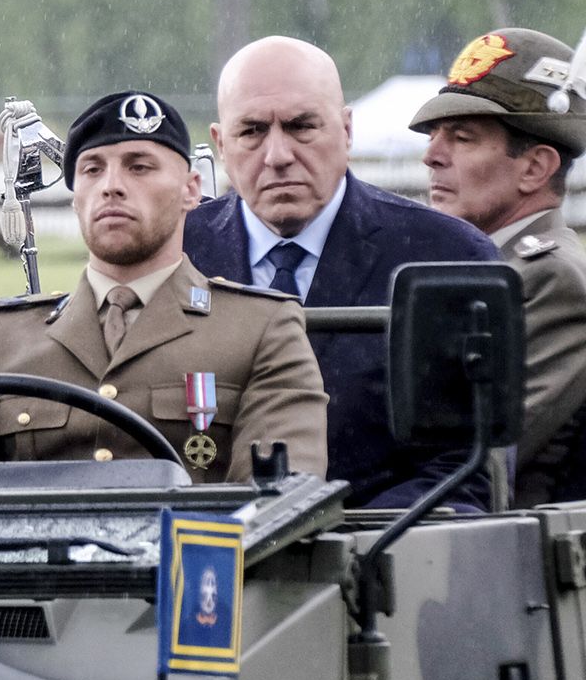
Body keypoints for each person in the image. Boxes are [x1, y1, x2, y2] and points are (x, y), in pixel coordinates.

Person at [0, 91, 327, 481]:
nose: (111, 186)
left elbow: (275, 506)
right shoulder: (0, 337)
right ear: (75, 196)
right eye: (92, 169)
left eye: (140, 166)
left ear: (190, 190)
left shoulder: (259, 331)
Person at [183, 35, 497, 510]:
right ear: (220, 144)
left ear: (347, 130)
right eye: (251, 131)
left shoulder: (446, 259)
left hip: (379, 560)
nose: (277, 155)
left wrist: (333, 556)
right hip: (201, 563)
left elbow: (466, 472)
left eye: (301, 126)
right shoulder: (176, 255)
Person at [411, 28, 586, 506]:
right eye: (435, 137)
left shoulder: (551, 279)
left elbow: (474, 453)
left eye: (462, 138)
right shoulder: (477, 268)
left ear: (534, 168)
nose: (432, 156)